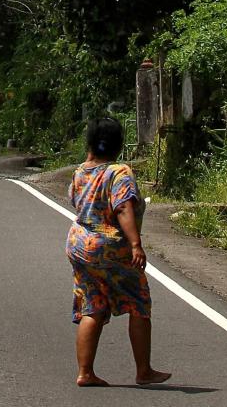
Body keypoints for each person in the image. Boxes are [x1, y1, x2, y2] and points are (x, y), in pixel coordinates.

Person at [66, 117, 171, 388]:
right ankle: (144, 371)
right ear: (118, 145)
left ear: (90, 144)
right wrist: (136, 244)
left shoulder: (80, 171)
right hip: (110, 244)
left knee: (93, 305)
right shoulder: (118, 173)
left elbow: (75, 201)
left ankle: (85, 372)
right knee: (138, 303)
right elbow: (123, 207)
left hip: (80, 243)